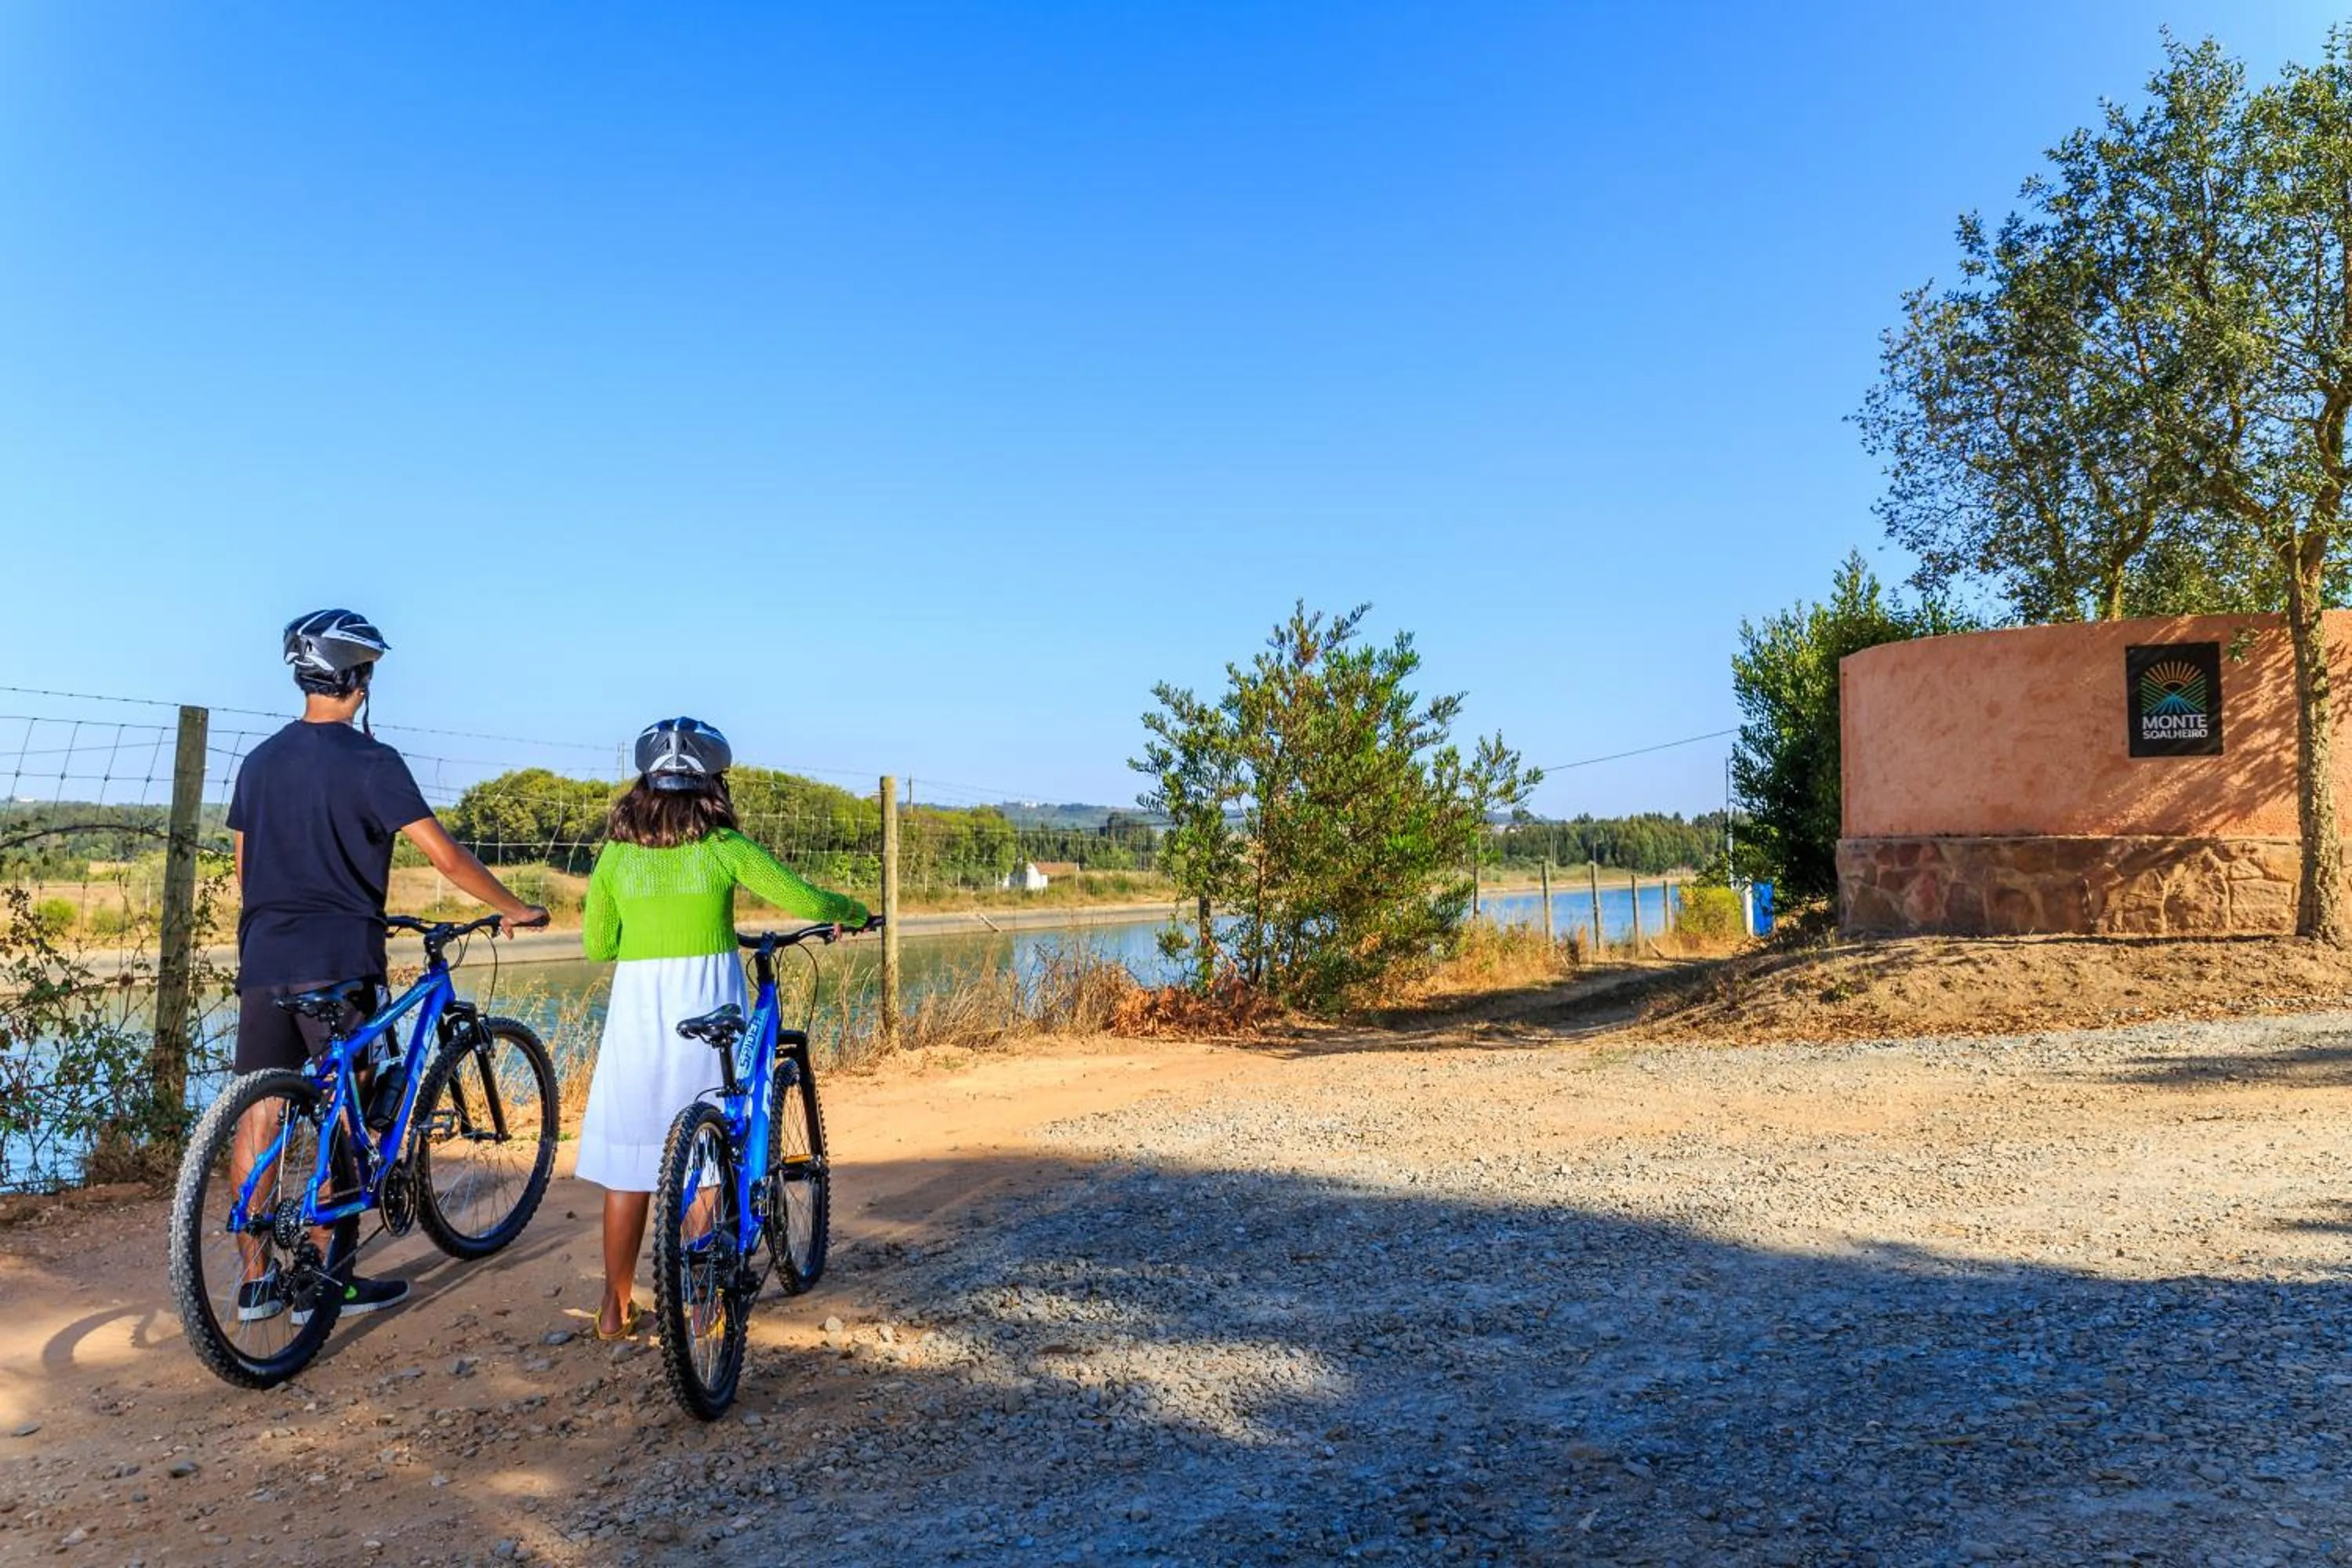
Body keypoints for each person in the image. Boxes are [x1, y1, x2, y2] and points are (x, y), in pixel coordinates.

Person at [229, 608, 550, 1323]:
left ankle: (254, 1284)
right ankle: (330, 1281)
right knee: (352, 1102)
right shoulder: (372, 762)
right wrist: (513, 905)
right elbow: (445, 856)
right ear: (360, 680)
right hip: (338, 960)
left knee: (260, 1107)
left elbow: (247, 867)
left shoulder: (260, 761)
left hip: (264, 959)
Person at [576, 717, 869, 1340]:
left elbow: (599, 945)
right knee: (707, 1159)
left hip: (637, 1011)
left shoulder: (616, 857)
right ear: (712, 784)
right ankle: (704, 1308)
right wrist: (852, 912)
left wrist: (646, 932)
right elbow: (806, 899)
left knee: (632, 1164)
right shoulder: (721, 848)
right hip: (707, 1001)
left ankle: (613, 1309)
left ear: (643, 786)